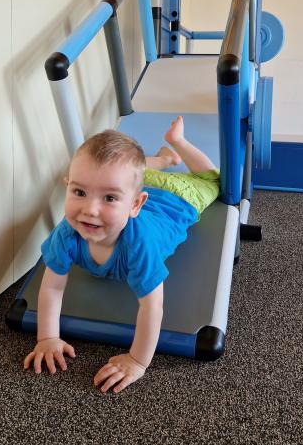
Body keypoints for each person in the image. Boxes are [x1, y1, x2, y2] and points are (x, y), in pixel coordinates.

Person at [23, 116, 220, 394]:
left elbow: (152, 306)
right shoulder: (67, 232)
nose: (90, 210)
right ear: (67, 186)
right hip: (141, 185)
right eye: (79, 191)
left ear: (135, 205)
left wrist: (137, 361)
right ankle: (163, 158)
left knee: (212, 179)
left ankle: (178, 143)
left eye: (109, 198)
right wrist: (47, 338)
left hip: (177, 199)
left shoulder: (140, 245)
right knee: (137, 173)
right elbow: (52, 288)